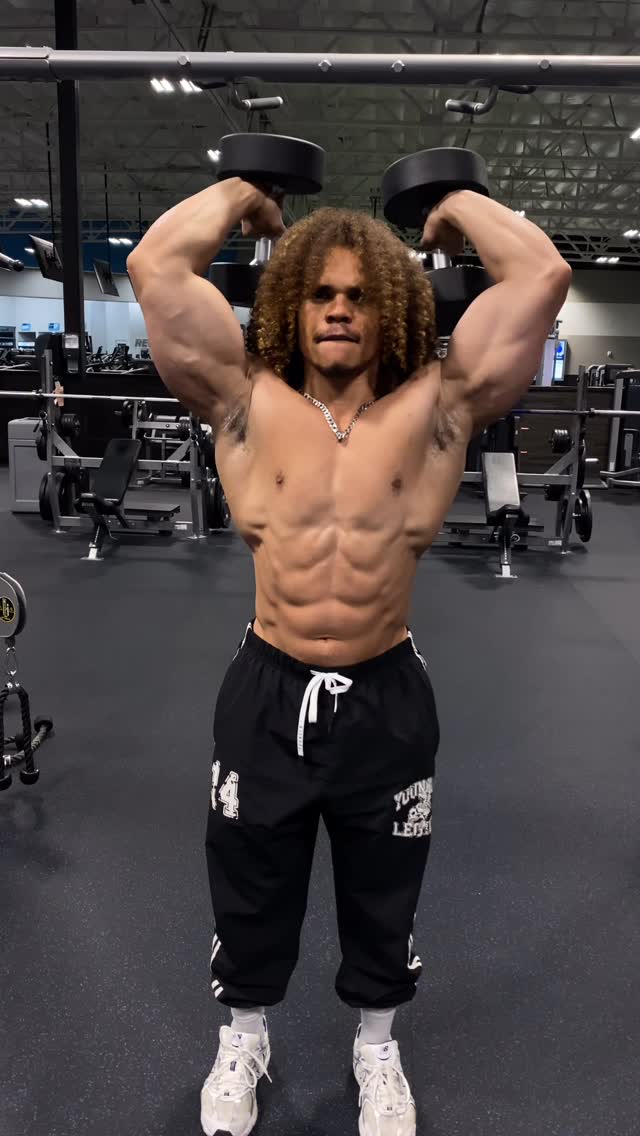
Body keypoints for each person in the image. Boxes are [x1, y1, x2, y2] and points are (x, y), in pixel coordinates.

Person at [128, 172, 570, 1136]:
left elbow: (541, 275)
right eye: (322, 293)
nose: (339, 309)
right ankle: (245, 1035)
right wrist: (243, 193)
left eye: (360, 295)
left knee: (385, 884)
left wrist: (455, 203)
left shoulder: (442, 406)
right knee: (248, 876)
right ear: (292, 303)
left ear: (392, 308)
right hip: (267, 688)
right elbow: (156, 265)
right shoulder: (241, 399)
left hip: (386, 693)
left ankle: (377, 1047)